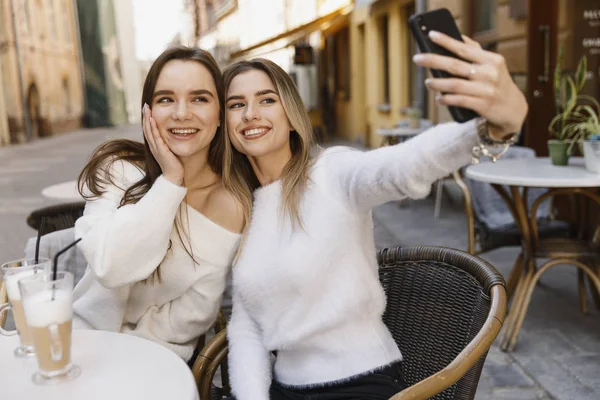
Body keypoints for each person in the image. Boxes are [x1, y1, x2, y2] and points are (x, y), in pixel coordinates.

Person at [222, 31, 527, 399]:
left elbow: (400, 166)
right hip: (285, 388)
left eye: (266, 99)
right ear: (227, 125)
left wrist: (490, 129)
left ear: (291, 115)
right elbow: (246, 328)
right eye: (236, 104)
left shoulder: (331, 174)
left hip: (360, 382)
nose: (251, 113)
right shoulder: (243, 208)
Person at [71, 46, 243, 362]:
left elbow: (187, 318)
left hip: (155, 363)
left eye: (199, 99)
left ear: (220, 115)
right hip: (78, 349)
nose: (181, 113)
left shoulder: (231, 206)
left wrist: (119, 365)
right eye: (166, 99)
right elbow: (111, 267)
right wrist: (170, 182)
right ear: (147, 111)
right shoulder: (117, 168)